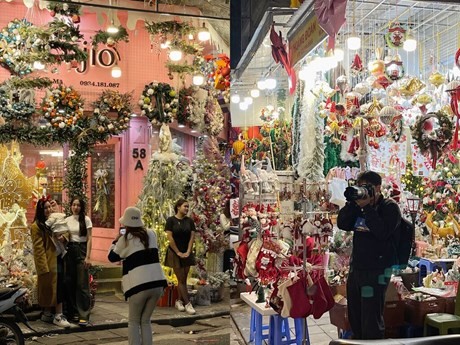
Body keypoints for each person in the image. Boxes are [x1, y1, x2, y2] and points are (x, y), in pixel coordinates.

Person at [337, 170, 401, 340]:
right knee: (355, 317)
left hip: (377, 271)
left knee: (371, 320)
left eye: (368, 187)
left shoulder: (389, 207)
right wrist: (353, 204)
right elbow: (342, 223)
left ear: (378, 188)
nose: (364, 190)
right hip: (357, 268)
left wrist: (367, 208)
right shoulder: (359, 206)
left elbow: (382, 232)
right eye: (361, 187)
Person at [108, 207, 167, 345]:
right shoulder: (152, 234)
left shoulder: (125, 239)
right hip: (157, 283)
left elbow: (112, 257)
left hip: (139, 286)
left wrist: (114, 242)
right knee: (145, 321)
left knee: (134, 322)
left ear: (126, 224)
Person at [30, 198, 71, 328]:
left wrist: (63, 238)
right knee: (50, 288)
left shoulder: (56, 220)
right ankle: (50, 314)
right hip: (48, 262)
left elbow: (66, 232)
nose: (48, 210)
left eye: (49, 207)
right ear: (40, 210)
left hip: (59, 257)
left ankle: (58, 314)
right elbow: (38, 249)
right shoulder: (37, 226)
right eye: (45, 208)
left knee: (59, 286)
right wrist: (43, 268)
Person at [164, 199, 196, 315]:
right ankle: (188, 303)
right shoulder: (171, 221)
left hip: (186, 251)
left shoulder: (189, 221)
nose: (187, 209)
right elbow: (170, 237)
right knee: (180, 278)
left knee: (184, 278)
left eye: (188, 207)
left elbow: (192, 237)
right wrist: (177, 252)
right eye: (185, 206)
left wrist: (188, 251)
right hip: (174, 252)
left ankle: (179, 301)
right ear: (178, 207)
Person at [65, 197, 92, 326]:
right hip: (70, 249)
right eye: (74, 205)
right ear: (71, 206)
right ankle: (73, 312)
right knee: (70, 282)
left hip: (81, 249)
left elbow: (90, 238)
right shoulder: (67, 220)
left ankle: (84, 315)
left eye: (78, 205)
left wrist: (88, 256)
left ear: (81, 207)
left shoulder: (86, 220)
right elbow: (64, 236)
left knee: (82, 284)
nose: (76, 207)